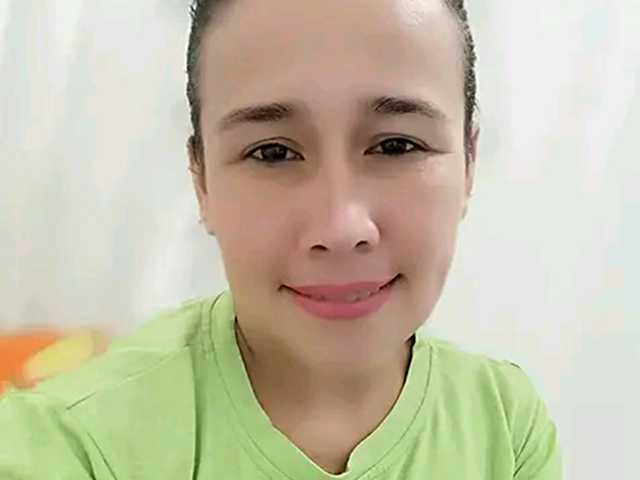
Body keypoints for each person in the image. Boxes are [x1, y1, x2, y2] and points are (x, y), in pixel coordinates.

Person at [0, 0, 563, 478]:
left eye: (397, 145)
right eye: (272, 152)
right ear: (201, 180)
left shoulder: (504, 427)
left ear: (468, 162)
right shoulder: (70, 447)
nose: (341, 228)